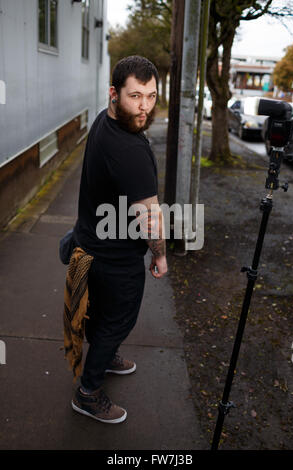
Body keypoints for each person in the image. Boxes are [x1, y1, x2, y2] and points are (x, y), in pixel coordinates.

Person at [70, 56, 168, 424]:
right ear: (114, 94)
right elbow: (150, 219)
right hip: (114, 258)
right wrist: (159, 257)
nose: (144, 107)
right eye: (135, 96)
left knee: (101, 316)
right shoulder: (130, 151)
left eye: (152, 96)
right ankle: (88, 393)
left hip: (92, 244)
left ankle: (105, 355)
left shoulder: (105, 119)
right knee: (118, 321)